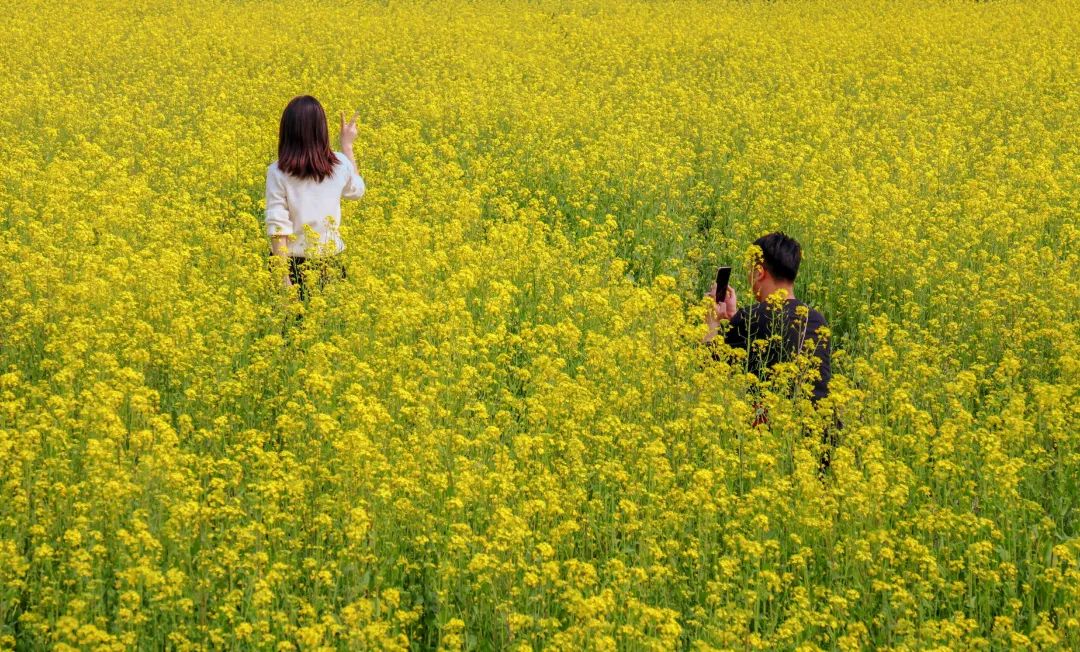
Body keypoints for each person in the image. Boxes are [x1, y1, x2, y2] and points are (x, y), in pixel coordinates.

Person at [703, 232, 838, 472]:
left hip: (776, 445)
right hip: (823, 440)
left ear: (759, 272)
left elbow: (708, 369)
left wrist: (712, 323)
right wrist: (736, 319)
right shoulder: (817, 319)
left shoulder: (752, 318)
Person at [265, 95, 366, 303]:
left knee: (290, 332)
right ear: (322, 130)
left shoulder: (277, 171)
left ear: (287, 131)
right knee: (331, 329)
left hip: (293, 266)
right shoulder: (340, 165)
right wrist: (347, 146)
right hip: (330, 264)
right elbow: (357, 190)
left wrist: (283, 279)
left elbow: (278, 228)